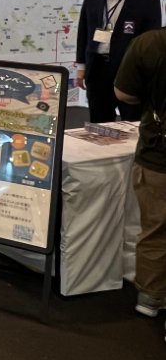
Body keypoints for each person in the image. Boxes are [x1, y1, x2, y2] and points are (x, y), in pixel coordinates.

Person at [114, 28, 166, 326]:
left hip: (158, 153)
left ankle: (151, 296)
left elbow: (124, 93)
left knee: (155, 227)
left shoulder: (149, 43)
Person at [76, 0, 162, 123]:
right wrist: (81, 67)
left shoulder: (147, 0)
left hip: (130, 71)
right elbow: (83, 32)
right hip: (97, 68)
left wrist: (148, 77)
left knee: (132, 122)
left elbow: (150, 42)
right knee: (99, 123)